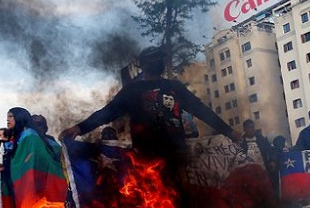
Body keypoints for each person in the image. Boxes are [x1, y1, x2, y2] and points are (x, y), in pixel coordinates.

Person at [59, 45, 238, 164]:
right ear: (143, 64)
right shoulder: (132, 90)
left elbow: (200, 110)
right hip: (147, 157)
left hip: (178, 155)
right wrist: (79, 128)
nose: (157, 61)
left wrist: (228, 130)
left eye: (159, 58)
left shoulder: (174, 87)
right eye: (152, 59)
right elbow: (109, 112)